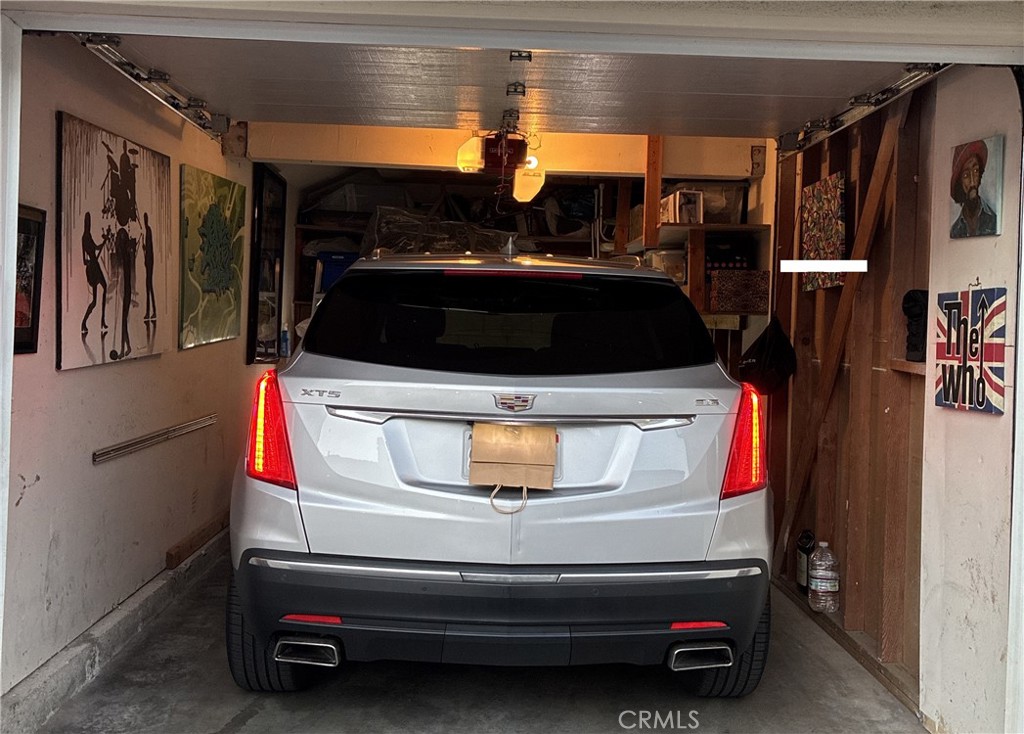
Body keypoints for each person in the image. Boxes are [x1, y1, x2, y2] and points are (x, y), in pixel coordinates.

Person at [950, 139, 998, 238]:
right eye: (966, 175)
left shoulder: (994, 220)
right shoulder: (955, 230)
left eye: (976, 171)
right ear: (960, 183)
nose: (972, 182)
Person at [80, 211, 108, 335]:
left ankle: (102, 320)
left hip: (95, 265)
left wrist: (105, 241)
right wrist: (90, 261)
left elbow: (97, 248)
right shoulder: (84, 237)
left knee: (105, 288)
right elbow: (84, 259)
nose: (89, 224)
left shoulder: (88, 236)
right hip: (92, 268)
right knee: (95, 301)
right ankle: (84, 322)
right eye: (88, 222)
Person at [143, 212, 156, 321]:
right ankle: (150, 311)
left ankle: (151, 311)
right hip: (149, 261)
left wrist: (145, 250)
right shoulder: (148, 231)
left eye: (145, 219)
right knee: (149, 287)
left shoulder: (148, 231)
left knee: (149, 286)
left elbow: (149, 247)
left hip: (149, 261)